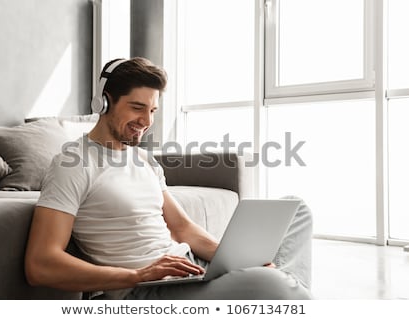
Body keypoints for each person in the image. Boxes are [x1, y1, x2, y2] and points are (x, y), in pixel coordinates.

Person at [24, 57, 313, 299]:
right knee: (271, 284)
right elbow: (40, 264)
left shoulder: (144, 160)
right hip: (147, 289)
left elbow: (183, 229)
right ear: (104, 101)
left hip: (187, 270)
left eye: (152, 111)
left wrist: (235, 260)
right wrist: (137, 275)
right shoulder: (72, 163)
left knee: (297, 209)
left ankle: (279, 290)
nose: (147, 122)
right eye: (137, 108)